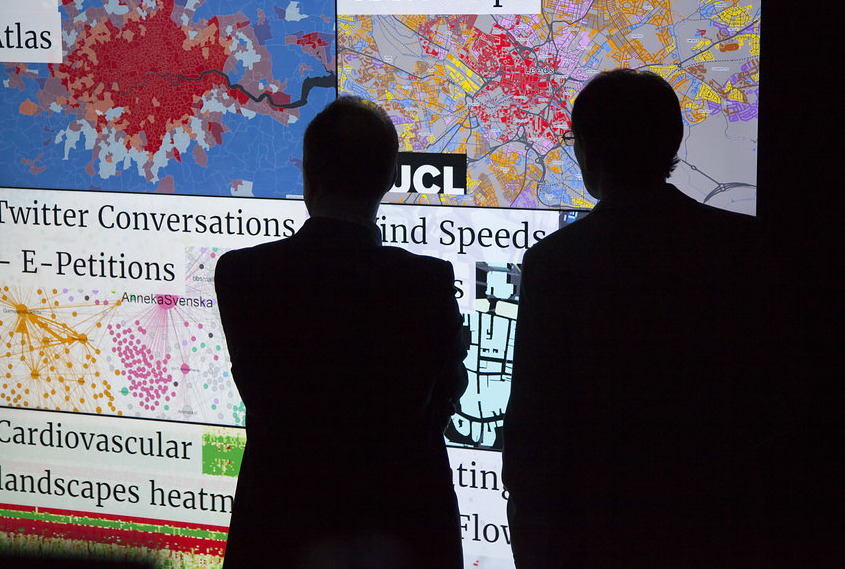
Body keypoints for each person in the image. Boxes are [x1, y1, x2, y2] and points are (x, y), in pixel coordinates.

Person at [503, 69, 772, 568]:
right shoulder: (749, 249)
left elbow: (535, 438)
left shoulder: (556, 264)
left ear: (585, 149)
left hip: (597, 541)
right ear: (673, 141)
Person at [214, 96, 467, 568]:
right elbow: (447, 395)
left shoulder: (242, 274)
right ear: (392, 178)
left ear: (307, 173)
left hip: (278, 532)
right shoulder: (425, 283)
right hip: (397, 537)